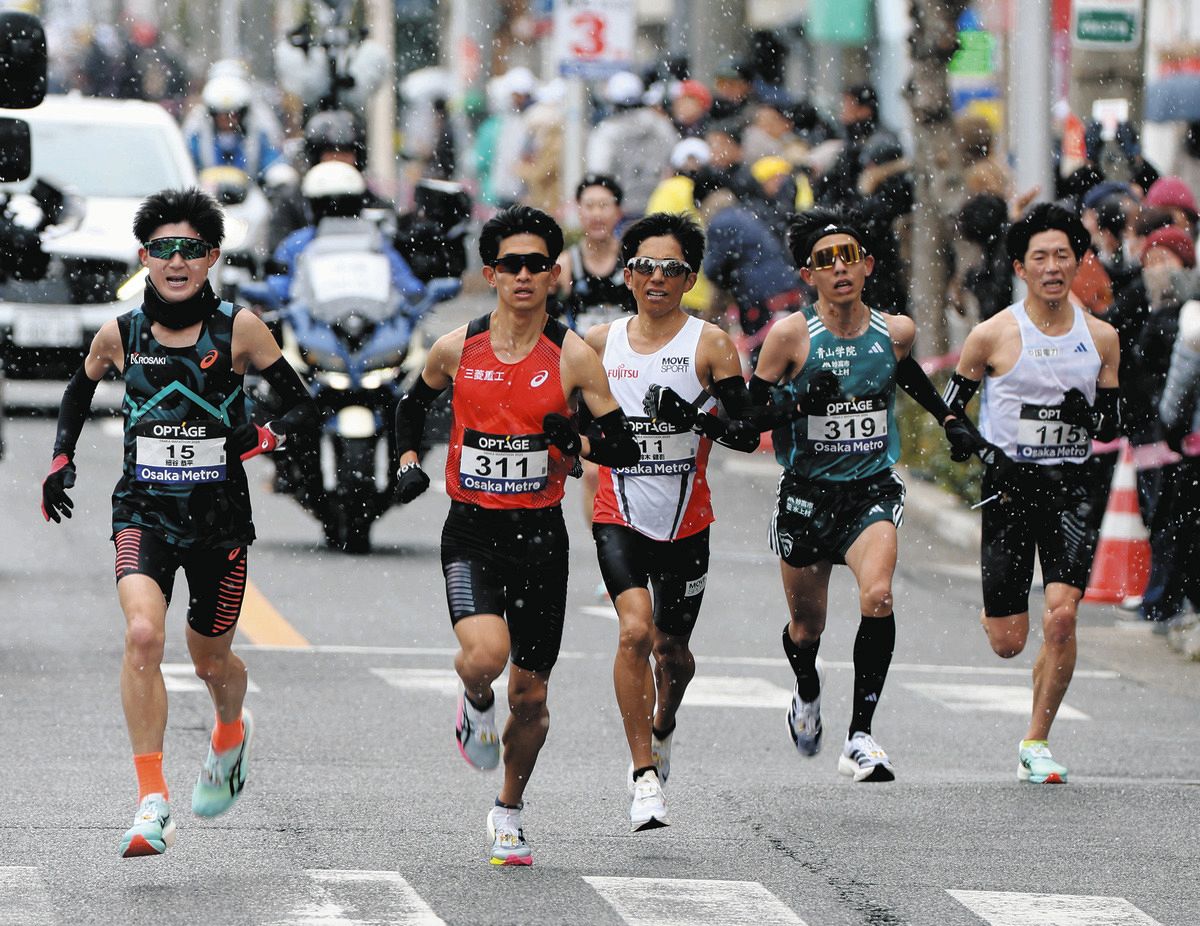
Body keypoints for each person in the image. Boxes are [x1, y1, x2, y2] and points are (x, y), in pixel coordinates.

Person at [39, 188, 317, 857]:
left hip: (219, 522)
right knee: (142, 634)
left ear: (211, 257)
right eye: (163, 248)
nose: (176, 260)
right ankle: (151, 801)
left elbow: (306, 408)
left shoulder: (240, 330)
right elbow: (80, 388)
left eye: (191, 249)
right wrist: (60, 458)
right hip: (143, 512)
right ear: (144, 257)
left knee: (210, 660)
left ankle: (230, 732)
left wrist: (264, 438)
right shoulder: (122, 333)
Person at [389, 206, 640, 865]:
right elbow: (410, 404)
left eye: (537, 265)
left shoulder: (574, 356)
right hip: (471, 530)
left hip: (540, 539)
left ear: (555, 274)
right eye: (511, 265)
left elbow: (623, 446)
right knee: (485, 657)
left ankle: (508, 811)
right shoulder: (457, 347)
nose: (524, 276)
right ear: (491, 273)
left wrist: (576, 440)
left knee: (530, 696)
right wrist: (409, 461)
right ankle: (475, 701)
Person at [749, 209, 971, 782]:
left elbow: (906, 372)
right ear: (809, 275)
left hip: (870, 488)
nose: (840, 268)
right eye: (826, 261)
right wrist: (800, 403)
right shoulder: (790, 337)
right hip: (807, 494)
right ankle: (807, 688)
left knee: (878, 596)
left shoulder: (894, 332)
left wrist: (950, 419)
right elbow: (749, 415)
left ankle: (859, 736)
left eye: (849, 256)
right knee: (807, 629)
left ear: (867, 265)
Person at [584, 213, 760, 831]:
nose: (657, 278)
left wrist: (694, 417)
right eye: (645, 267)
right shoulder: (598, 343)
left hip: (687, 521)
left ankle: (664, 723)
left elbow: (746, 432)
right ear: (628, 275)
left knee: (672, 652)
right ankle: (643, 777)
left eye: (671, 269)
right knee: (634, 632)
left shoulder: (710, 344)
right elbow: (570, 420)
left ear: (689, 279)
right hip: (619, 511)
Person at [943, 203, 1120, 784]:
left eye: (1062, 256)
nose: (1052, 267)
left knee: (1063, 617)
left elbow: (1114, 423)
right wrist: (966, 438)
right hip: (1010, 492)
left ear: (1077, 262)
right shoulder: (991, 335)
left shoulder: (1102, 338)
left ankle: (1036, 741)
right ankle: (1000, 614)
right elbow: (950, 411)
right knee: (1009, 643)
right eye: (1040, 257)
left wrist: (1089, 417)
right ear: (1020, 267)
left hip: (1072, 492)